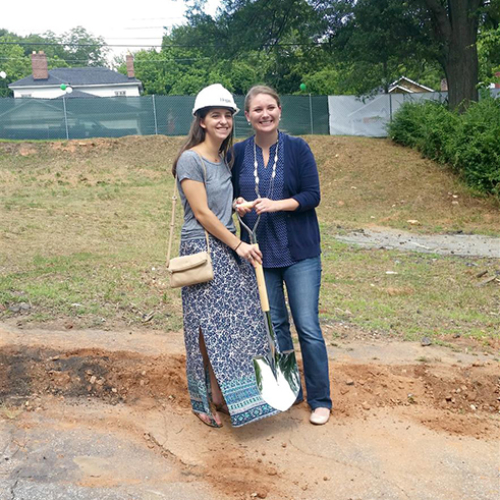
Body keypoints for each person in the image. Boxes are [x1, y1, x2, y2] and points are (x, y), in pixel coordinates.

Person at [172, 84, 280, 428]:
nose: (223, 121)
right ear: (201, 121)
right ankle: (203, 401)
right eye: (215, 115)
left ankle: (226, 394)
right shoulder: (191, 158)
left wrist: (236, 205)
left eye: (228, 115)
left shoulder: (222, 158)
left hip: (225, 241)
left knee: (231, 324)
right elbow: (201, 214)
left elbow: (216, 206)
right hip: (203, 247)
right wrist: (238, 245)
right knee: (205, 328)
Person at [233, 85, 332, 425]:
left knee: (306, 325)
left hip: (299, 252)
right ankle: (291, 390)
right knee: (275, 326)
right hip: (262, 254)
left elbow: (312, 195)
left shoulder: (297, 148)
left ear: (280, 111)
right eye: (257, 109)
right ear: (247, 116)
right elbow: (232, 196)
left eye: (270, 107)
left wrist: (277, 204)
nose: (265, 114)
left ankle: (320, 400)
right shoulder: (238, 153)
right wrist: (237, 204)